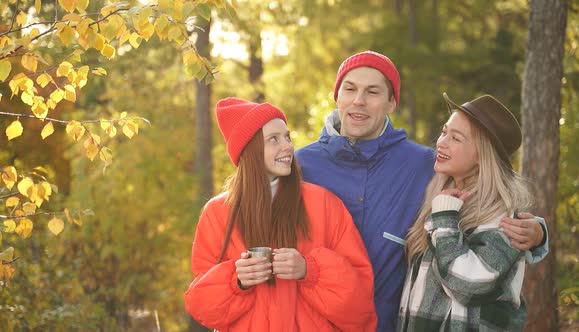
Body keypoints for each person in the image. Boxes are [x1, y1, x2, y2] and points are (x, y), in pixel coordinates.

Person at [295, 51, 548, 331]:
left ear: (391, 102)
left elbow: (489, 192)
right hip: (318, 322)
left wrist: (535, 232)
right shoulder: (301, 165)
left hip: (390, 323)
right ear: (336, 95)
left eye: (373, 91)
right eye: (350, 89)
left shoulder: (426, 164)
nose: (359, 101)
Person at [184, 97, 377, 331]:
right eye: (273, 139)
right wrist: (236, 280)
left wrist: (310, 270)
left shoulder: (324, 203)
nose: (287, 146)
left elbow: (359, 304)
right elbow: (202, 307)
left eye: (287, 137)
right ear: (249, 149)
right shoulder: (217, 213)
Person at [397, 93, 532, 331]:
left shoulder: (503, 215)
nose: (441, 142)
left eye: (456, 138)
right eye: (444, 132)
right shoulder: (442, 196)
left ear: (482, 156)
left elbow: (468, 285)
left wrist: (445, 222)